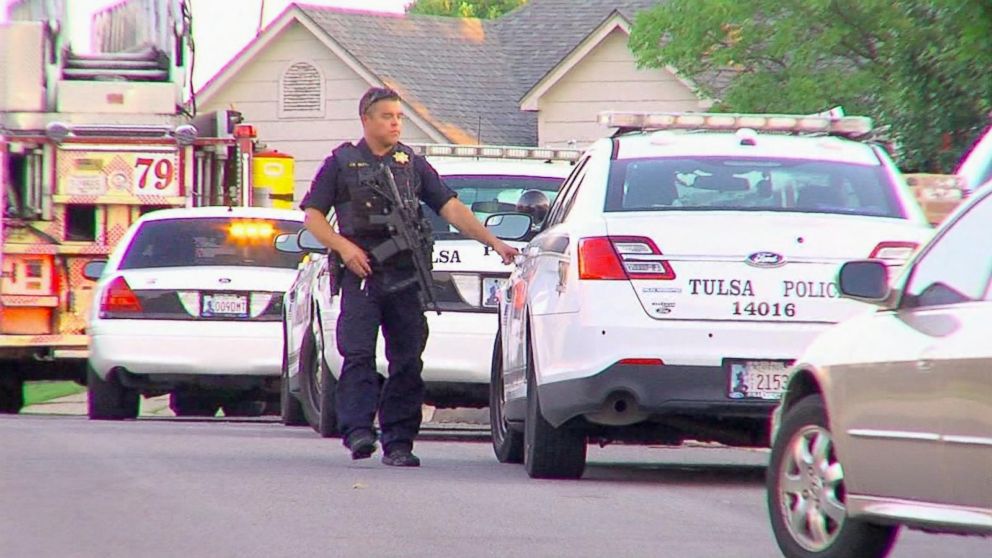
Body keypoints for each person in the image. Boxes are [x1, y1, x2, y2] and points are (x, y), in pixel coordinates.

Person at [299, 87, 518, 467]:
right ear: (366, 120)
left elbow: (450, 208)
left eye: (399, 116)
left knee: (407, 361)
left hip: (405, 276)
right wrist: (343, 248)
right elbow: (313, 216)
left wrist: (494, 242)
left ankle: (399, 441)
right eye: (387, 116)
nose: (395, 123)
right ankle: (359, 431)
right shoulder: (341, 163)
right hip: (363, 273)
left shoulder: (411, 164)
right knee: (358, 354)